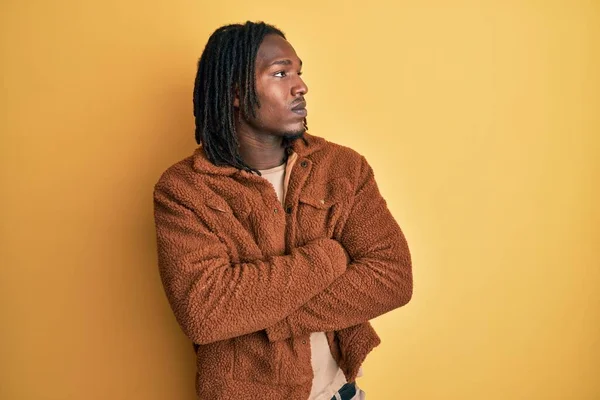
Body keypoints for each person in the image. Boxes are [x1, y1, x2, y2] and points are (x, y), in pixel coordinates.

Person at [153, 21, 413, 400]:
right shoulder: (185, 190)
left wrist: (256, 314)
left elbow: (392, 278)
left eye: (298, 72)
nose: (300, 86)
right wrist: (329, 257)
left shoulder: (341, 168)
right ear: (237, 93)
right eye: (280, 73)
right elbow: (205, 313)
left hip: (343, 393)